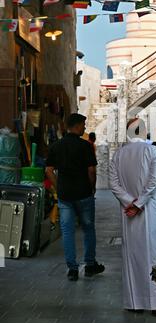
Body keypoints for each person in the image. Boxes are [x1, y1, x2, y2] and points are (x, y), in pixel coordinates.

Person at [109, 118, 156, 314]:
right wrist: (139, 203)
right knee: (155, 253)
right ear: (143, 132)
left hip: (129, 213)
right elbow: (153, 182)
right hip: (150, 210)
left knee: (133, 255)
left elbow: (114, 184)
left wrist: (129, 202)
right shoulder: (153, 151)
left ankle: (135, 302)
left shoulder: (118, 155)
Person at [45, 113, 105, 281]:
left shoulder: (56, 146)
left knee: (67, 231)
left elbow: (49, 171)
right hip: (84, 194)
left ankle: (72, 269)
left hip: (65, 197)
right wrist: (92, 188)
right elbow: (91, 171)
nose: (85, 128)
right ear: (77, 126)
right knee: (88, 229)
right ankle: (90, 265)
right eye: (83, 125)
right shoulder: (85, 146)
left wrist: (59, 187)